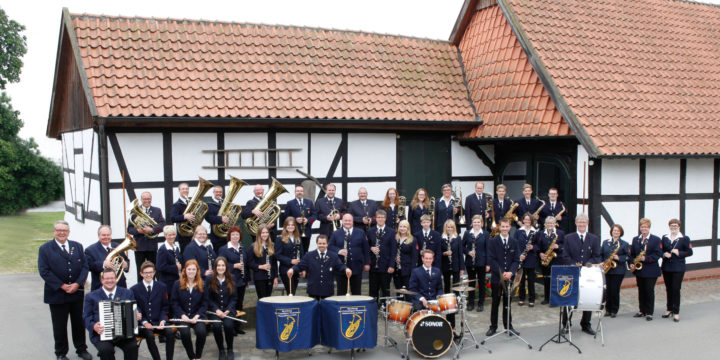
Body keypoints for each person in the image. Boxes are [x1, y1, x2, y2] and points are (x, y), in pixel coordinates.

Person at [38, 221, 92, 360]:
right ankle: (61, 353)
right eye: (59, 230)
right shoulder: (45, 249)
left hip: (76, 293)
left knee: (78, 323)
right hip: (57, 294)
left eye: (65, 230)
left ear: (68, 232)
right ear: (54, 231)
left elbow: (85, 267)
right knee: (59, 325)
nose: (62, 233)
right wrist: (62, 285)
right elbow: (44, 271)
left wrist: (78, 283)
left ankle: (81, 349)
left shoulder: (77, 246)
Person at [83, 268, 138, 360]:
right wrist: (93, 326)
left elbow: (135, 308)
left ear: (116, 279)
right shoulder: (91, 296)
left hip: (124, 333)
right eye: (107, 278)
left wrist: (137, 314)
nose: (109, 281)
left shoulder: (127, 293)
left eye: (112, 278)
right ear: (102, 280)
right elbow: (86, 317)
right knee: (106, 350)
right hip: (101, 334)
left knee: (132, 347)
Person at [561, 214, 601, 335]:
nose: (582, 224)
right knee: (569, 298)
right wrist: (573, 264)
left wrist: (588, 264)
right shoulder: (568, 238)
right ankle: (566, 324)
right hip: (572, 272)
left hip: (587, 273)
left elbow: (597, 256)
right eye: (580, 222)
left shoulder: (593, 238)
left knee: (588, 297)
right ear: (576, 223)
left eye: (584, 222)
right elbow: (565, 255)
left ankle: (586, 324)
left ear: (587, 223)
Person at [131, 261, 174, 360]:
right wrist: (144, 322)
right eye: (146, 273)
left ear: (154, 272)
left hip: (159, 321)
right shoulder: (134, 289)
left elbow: (165, 306)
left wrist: (163, 320)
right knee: (149, 336)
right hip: (144, 323)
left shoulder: (162, 286)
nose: (148, 275)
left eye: (150, 272)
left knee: (170, 333)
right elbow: (136, 308)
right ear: (141, 273)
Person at [289, 235, 351, 300]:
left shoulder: (333, 256)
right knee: (313, 309)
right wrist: (292, 269)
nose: (322, 245)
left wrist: (346, 269)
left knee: (327, 309)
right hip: (313, 289)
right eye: (320, 243)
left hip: (327, 290)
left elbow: (340, 265)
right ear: (317, 244)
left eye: (324, 243)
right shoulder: (309, 255)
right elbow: (300, 265)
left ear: (327, 244)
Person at [486, 219, 519, 337]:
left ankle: (509, 326)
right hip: (497, 278)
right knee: (495, 302)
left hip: (510, 278)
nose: (505, 229)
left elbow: (516, 259)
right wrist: (502, 273)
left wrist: (510, 272)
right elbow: (491, 259)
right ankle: (493, 327)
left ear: (510, 227)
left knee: (508, 303)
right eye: (503, 226)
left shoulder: (514, 242)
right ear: (499, 227)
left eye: (507, 226)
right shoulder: (493, 241)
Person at [172, 259, 208, 360]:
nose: (191, 271)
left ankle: (198, 356)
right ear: (185, 270)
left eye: (193, 269)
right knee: (185, 333)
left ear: (197, 271)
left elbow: (205, 303)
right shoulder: (177, 284)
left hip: (197, 315)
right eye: (189, 269)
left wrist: (197, 316)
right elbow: (174, 303)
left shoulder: (203, 284)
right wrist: (183, 315)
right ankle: (191, 356)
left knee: (202, 332)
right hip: (181, 316)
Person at [128, 191, 166, 282]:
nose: (147, 200)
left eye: (148, 198)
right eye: (144, 199)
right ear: (141, 200)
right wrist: (138, 231)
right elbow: (129, 229)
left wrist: (152, 230)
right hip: (139, 246)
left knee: (153, 270)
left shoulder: (157, 210)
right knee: (140, 271)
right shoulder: (134, 211)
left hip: (151, 246)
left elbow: (162, 224)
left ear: (151, 199)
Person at [217, 226, 249, 335]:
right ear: (229, 236)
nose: (235, 236)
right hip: (229, 281)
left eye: (237, 234)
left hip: (241, 281)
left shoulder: (242, 248)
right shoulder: (224, 249)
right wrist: (234, 266)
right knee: (231, 305)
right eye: (233, 234)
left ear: (240, 236)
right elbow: (219, 265)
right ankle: (230, 328)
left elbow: (246, 265)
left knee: (239, 304)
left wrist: (247, 280)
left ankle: (237, 326)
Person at [629, 218, 662, 321]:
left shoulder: (656, 239)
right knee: (641, 290)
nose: (644, 229)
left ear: (649, 228)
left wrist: (646, 258)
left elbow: (658, 254)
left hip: (651, 270)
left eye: (646, 227)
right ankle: (642, 310)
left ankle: (649, 312)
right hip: (639, 270)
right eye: (642, 227)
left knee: (649, 290)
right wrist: (631, 263)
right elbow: (632, 254)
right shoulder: (636, 239)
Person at [328, 213, 370, 295]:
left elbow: (366, 249)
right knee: (341, 293)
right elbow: (329, 247)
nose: (347, 222)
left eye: (349, 220)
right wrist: (338, 251)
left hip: (357, 267)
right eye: (345, 220)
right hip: (341, 268)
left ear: (353, 221)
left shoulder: (360, 232)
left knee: (357, 292)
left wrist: (367, 263)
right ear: (342, 221)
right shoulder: (336, 233)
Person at [661, 218, 693, 322]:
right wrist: (664, 254)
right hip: (666, 267)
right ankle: (669, 309)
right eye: (672, 226)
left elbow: (690, 252)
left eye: (675, 226)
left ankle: (676, 312)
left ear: (679, 227)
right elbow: (660, 250)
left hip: (678, 268)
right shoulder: (665, 238)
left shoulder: (684, 238)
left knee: (675, 289)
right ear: (669, 227)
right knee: (668, 289)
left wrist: (679, 252)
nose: (673, 227)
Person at [206, 257, 237, 360]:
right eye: (218, 265)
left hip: (229, 310)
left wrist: (228, 310)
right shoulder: (210, 279)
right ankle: (221, 350)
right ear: (215, 267)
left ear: (226, 267)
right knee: (217, 325)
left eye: (223, 265)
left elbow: (234, 298)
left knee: (228, 325)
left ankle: (230, 349)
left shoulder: (232, 278)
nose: (221, 267)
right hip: (214, 310)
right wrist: (217, 310)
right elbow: (208, 298)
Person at [86, 225, 128, 291]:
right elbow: (89, 266)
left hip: (120, 285)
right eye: (103, 235)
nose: (106, 237)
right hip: (100, 286)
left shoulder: (117, 246)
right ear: (98, 236)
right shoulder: (90, 250)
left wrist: (126, 265)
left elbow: (126, 259)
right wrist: (103, 264)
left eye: (108, 235)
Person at [368, 210, 397, 303]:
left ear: (385, 219)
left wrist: (392, 265)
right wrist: (371, 248)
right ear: (375, 218)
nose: (380, 219)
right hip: (373, 266)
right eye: (379, 217)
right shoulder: (370, 231)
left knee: (385, 290)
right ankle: (373, 310)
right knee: (373, 290)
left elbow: (394, 250)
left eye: (382, 217)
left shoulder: (391, 232)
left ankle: (385, 311)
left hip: (386, 266)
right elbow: (366, 246)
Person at [602, 224, 630, 318]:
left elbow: (627, 256)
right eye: (614, 230)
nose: (616, 232)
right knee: (608, 290)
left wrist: (619, 258)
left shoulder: (624, 244)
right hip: (607, 269)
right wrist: (602, 262)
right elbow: (601, 254)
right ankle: (608, 309)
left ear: (620, 233)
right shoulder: (606, 242)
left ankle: (614, 310)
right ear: (611, 232)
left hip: (618, 270)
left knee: (614, 290)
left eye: (618, 231)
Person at [440, 219, 464, 330]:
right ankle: (447, 304)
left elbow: (460, 254)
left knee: (456, 285)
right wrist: (444, 253)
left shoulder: (457, 238)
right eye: (448, 227)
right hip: (446, 265)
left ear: (454, 228)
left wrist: (461, 268)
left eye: (451, 227)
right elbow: (439, 252)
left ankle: (456, 305)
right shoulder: (442, 238)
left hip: (455, 265)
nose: (449, 229)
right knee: (446, 285)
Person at [463, 215, 490, 312]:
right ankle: (471, 303)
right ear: (472, 223)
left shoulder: (485, 234)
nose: (476, 224)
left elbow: (488, 249)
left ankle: (480, 303)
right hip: (470, 262)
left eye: (478, 222)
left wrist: (488, 264)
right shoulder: (467, 233)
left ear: (481, 223)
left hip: (481, 262)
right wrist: (468, 252)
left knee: (482, 283)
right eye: (475, 222)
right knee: (471, 283)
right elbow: (462, 247)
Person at [538, 216, 565, 305]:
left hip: (557, 260)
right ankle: (546, 298)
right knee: (546, 280)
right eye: (548, 223)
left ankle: (556, 299)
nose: (550, 225)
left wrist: (558, 247)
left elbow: (565, 246)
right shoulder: (541, 233)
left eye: (551, 223)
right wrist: (540, 253)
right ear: (545, 224)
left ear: (555, 224)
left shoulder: (560, 233)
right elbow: (538, 246)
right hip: (546, 260)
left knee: (556, 280)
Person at [283, 184, 316, 253]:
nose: (299, 192)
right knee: (296, 251)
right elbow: (286, 217)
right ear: (295, 192)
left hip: (307, 231)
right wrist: (295, 220)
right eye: (297, 191)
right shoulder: (290, 203)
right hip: (294, 232)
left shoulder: (309, 202)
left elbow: (314, 216)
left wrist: (308, 220)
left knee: (305, 251)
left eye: (301, 191)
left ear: (303, 192)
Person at [247, 226, 279, 299]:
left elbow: (274, 263)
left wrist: (275, 277)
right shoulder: (253, 246)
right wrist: (261, 266)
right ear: (259, 234)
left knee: (268, 298)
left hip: (270, 277)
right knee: (262, 299)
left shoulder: (272, 245)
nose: (265, 234)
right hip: (259, 277)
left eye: (267, 232)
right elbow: (249, 263)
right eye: (263, 233)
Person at [275, 217, 303, 296]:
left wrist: (302, 268)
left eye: (292, 225)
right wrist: (290, 261)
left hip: (296, 269)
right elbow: (277, 255)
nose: (290, 226)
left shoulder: (298, 238)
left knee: (293, 292)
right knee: (291, 292)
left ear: (295, 226)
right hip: (285, 270)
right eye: (288, 225)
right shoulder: (280, 238)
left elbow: (302, 253)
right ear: (285, 226)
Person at [514, 213, 538, 307]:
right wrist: (519, 255)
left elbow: (538, 246)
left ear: (531, 221)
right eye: (525, 219)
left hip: (531, 259)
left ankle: (532, 299)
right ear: (523, 220)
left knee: (531, 281)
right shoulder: (518, 231)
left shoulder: (535, 232)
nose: (527, 221)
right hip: (521, 259)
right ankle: (521, 298)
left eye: (529, 220)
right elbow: (514, 245)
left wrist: (533, 247)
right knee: (521, 280)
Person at [393, 220, 418, 292]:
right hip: (396, 270)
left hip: (407, 270)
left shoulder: (413, 239)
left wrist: (413, 272)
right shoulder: (395, 238)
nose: (402, 228)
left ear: (408, 228)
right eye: (400, 226)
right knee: (398, 291)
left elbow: (414, 257)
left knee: (407, 291)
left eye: (404, 226)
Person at [205, 185, 231, 249]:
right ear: (213, 193)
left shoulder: (225, 203)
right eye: (217, 192)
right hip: (216, 236)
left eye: (220, 192)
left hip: (226, 234)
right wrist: (221, 219)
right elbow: (208, 218)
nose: (218, 193)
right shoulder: (209, 204)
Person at [170, 182, 194, 251]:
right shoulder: (177, 204)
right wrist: (184, 216)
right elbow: (173, 218)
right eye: (183, 189)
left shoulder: (191, 202)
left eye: (186, 189)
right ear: (179, 190)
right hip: (183, 235)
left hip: (193, 233)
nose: (185, 190)